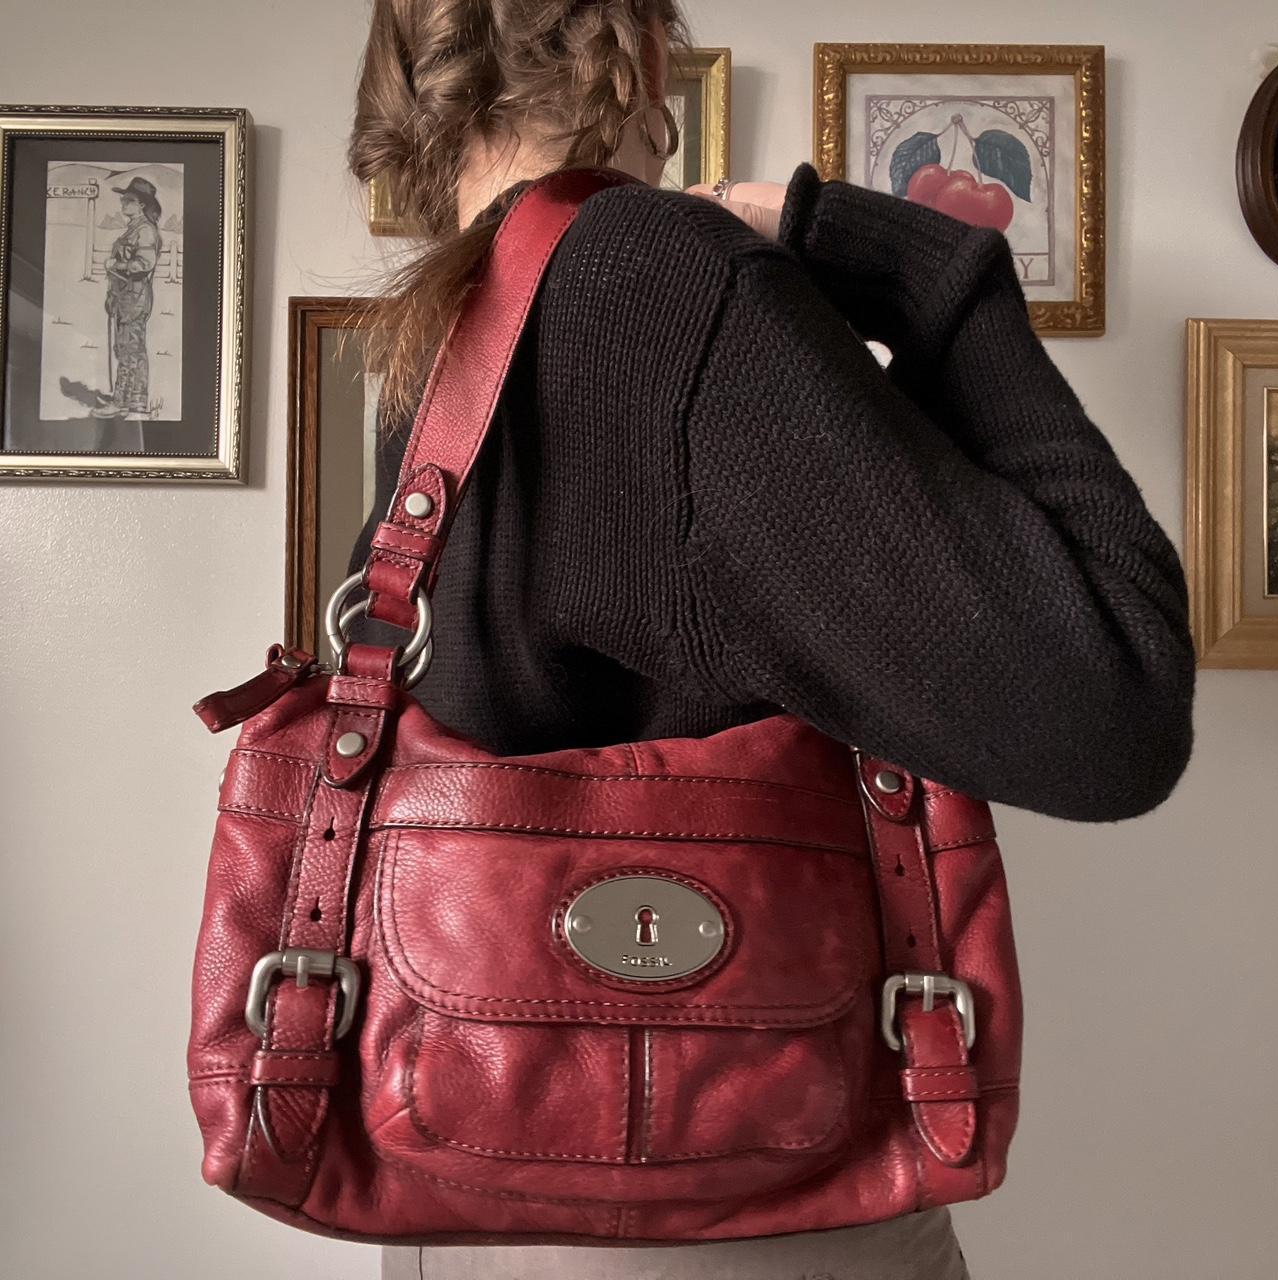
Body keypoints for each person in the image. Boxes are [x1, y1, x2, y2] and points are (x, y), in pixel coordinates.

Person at [344, 3, 1196, 1277]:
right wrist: (929, 274)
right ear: (634, 52)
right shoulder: (657, 280)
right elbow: (1112, 710)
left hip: (465, 1182)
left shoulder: (448, 330)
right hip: (737, 1200)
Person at [91, 176, 162, 419]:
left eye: (128, 200)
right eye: (123, 199)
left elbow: (144, 263)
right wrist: (112, 295)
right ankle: (132, 401)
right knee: (126, 348)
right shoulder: (134, 229)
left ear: (141, 204)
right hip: (125, 295)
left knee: (131, 349)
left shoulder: (145, 231)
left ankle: (125, 402)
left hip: (135, 296)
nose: (123, 204)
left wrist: (116, 264)